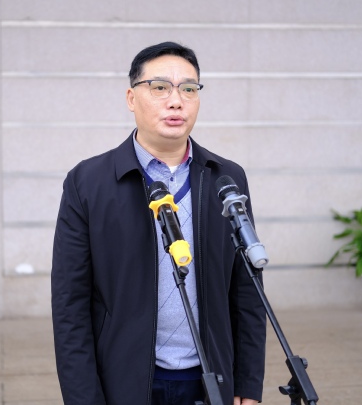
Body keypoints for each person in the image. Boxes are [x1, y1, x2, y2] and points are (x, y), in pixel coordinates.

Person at [52, 41, 267, 404]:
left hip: (210, 381)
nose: (176, 101)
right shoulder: (88, 182)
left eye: (189, 89)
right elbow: (69, 305)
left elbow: (247, 292)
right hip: (123, 382)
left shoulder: (225, 178)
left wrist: (247, 383)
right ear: (131, 98)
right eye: (160, 87)